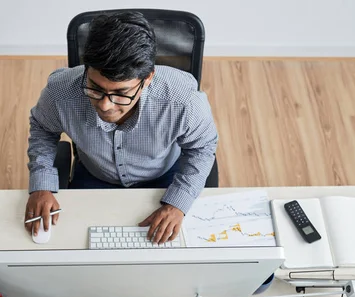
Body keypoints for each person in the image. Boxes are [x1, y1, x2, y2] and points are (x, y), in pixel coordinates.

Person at [25, 11, 218, 244]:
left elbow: (203, 148)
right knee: (71, 245)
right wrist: (42, 183)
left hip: (164, 175)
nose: (105, 105)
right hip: (94, 174)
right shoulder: (60, 92)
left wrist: (179, 202)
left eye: (121, 93)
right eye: (95, 87)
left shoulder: (183, 101)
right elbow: (43, 129)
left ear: (147, 79)